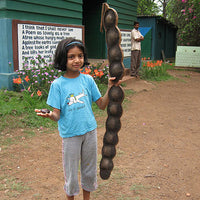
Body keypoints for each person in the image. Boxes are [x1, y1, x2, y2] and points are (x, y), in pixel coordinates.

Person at [35, 37, 121, 200]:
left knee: (89, 171)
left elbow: (102, 105)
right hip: (70, 136)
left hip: (90, 132)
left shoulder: (88, 80)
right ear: (63, 58)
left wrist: (110, 88)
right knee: (71, 174)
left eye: (80, 56)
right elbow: (57, 115)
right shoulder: (57, 85)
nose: (77, 60)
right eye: (71, 56)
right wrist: (49, 115)